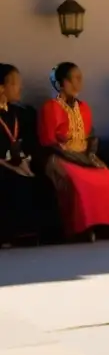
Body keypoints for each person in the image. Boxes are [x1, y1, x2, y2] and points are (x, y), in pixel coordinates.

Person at [38, 62, 109, 241]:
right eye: (73, 79)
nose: (78, 83)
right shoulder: (50, 107)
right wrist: (78, 159)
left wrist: (91, 155)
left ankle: (105, 226)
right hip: (59, 157)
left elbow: (90, 136)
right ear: (62, 84)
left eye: (80, 78)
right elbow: (48, 141)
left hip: (83, 158)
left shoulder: (84, 108)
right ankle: (81, 229)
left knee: (107, 176)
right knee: (78, 181)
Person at [0, 64, 60, 246]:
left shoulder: (21, 113)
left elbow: (31, 142)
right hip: (2, 166)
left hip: (21, 163)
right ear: (1, 87)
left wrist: (25, 158)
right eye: (15, 83)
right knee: (11, 182)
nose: (20, 87)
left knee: (44, 182)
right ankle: (10, 235)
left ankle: (43, 235)